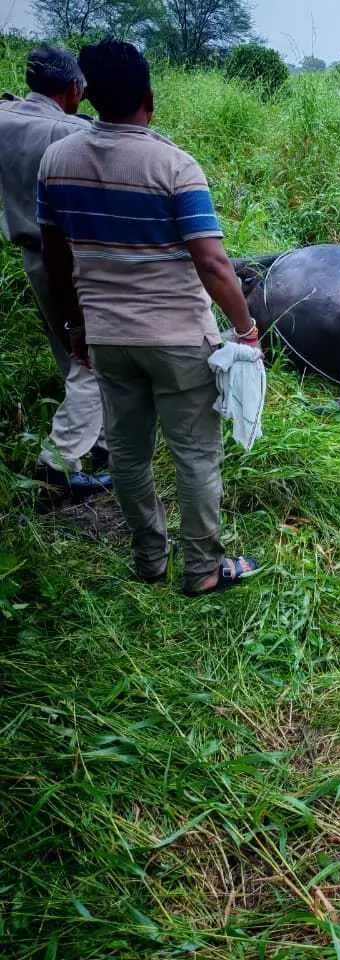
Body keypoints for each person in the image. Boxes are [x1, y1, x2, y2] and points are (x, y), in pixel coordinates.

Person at [36, 39, 261, 596]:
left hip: (108, 337)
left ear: (86, 94)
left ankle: (149, 560)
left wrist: (76, 327)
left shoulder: (57, 161)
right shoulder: (174, 166)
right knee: (196, 455)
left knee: (130, 454)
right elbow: (212, 262)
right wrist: (245, 328)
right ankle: (204, 568)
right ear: (149, 98)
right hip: (180, 338)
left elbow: (57, 258)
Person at [0, 46, 110, 498]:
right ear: (73, 89)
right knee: (94, 358)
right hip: (74, 259)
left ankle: (101, 441)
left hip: (33, 257)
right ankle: (61, 460)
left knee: (69, 352)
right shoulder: (71, 132)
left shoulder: (5, 118)